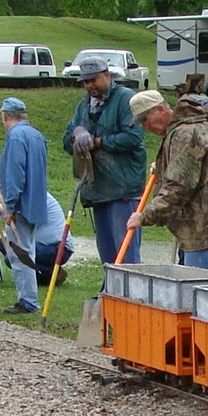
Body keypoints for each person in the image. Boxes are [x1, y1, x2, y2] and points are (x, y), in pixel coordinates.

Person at [125, 89, 208, 269]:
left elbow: (179, 186)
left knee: (199, 293)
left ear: (160, 110)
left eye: (145, 120)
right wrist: (164, 165)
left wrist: (145, 216)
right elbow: (197, 168)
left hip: (203, 230)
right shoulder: (197, 125)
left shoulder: (184, 134)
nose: (145, 127)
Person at [62, 55, 146, 264]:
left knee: (126, 256)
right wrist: (77, 135)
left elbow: (134, 137)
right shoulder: (84, 107)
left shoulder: (125, 99)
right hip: (97, 190)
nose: (89, 85)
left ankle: (131, 295)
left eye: (93, 80)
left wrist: (97, 141)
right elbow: (65, 142)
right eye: (85, 82)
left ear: (107, 75)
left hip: (123, 190)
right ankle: (110, 294)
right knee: (107, 256)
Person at [0, 96, 72, 312]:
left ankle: (28, 301)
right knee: (26, 250)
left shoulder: (15, 137)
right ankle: (29, 299)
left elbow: (17, 172)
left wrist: (10, 207)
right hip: (35, 201)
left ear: (5, 116)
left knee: (19, 254)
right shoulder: (36, 135)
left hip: (21, 204)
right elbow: (30, 171)